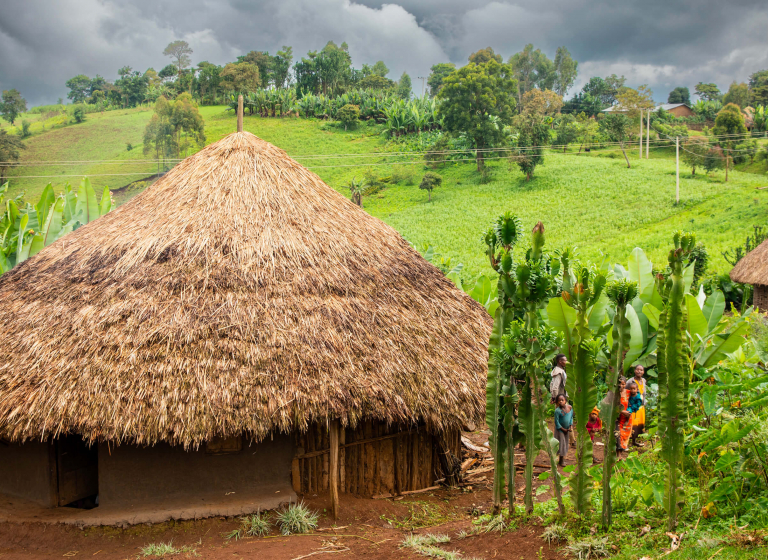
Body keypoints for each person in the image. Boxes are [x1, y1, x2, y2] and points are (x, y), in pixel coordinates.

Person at [554, 394, 573, 467]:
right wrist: (563, 429)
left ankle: (562, 458)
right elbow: (556, 422)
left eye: (562, 400)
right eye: (559, 401)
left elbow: (571, 417)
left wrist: (571, 425)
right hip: (560, 430)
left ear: (565, 401)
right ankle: (561, 460)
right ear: (557, 402)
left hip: (567, 430)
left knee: (565, 443)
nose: (560, 402)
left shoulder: (570, 408)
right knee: (561, 444)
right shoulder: (557, 411)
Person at [631, 365, 647, 447]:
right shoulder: (631, 381)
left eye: (641, 370)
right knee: (632, 424)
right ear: (635, 370)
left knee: (639, 425)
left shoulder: (644, 381)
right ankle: (628, 442)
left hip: (641, 406)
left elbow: (644, 393)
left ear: (643, 372)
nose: (639, 371)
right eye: (637, 369)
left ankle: (635, 441)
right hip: (633, 406)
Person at [616, 377, 631, 456]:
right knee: (618, 435)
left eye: (623, 384)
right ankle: (618, 455)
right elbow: (611, 406)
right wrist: (621, 411)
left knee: (625, 435)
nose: (621, 386)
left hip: (626, 418)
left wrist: (630, 412)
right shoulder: (614, 394)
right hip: (616, 417)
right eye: (620, 384)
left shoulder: (629, 392)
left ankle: (620, 454)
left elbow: (635, 401)